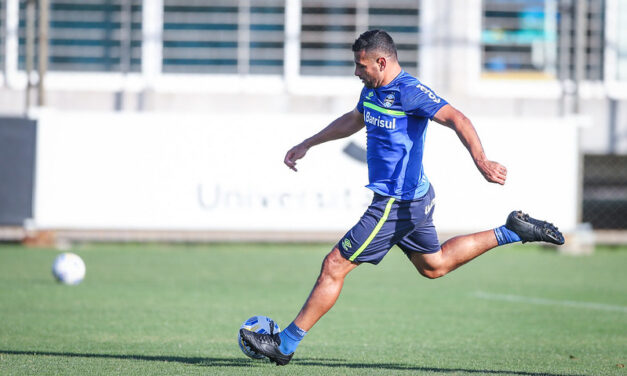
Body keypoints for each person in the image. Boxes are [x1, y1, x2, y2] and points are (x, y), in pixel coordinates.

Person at [240, 29, 564, 366]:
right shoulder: (371, 90)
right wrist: (308, 142)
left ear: (381, 62)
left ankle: (285, 344)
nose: (356, 72)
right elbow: (354, 119)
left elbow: (457, 118)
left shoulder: (410, 92)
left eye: (361, 66)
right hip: (414, 198)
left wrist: (481, 159)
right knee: (434, 265)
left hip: (397, 203)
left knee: (334, 265)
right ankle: (512, 230)